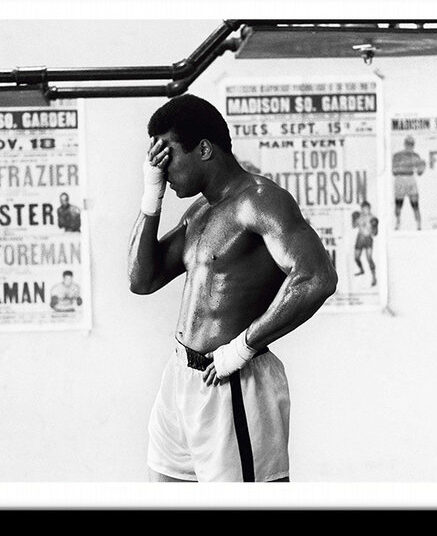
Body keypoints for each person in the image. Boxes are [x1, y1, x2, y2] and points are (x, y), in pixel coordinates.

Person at [128, 94, 337, 483]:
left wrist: (243, 346)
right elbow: (142, 280)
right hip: (180, 381)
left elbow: (316, 277)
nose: (161, 166)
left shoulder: (260, 201)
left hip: (231, 382)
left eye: (167, 154)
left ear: (204, 148)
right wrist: (151, 196)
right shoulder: (200, 212)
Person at [392, 136, 426, 230]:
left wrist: (422, 167)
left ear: (413, 145)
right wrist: (403, 167)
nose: (409, 146)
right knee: (398, 204)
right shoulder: (397, 155)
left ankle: (419, 225)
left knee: (415, 204)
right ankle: (397, 222)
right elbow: (393, 171)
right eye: (408, 144)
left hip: (410, 180)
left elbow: (419, 173)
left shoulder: (416, 156)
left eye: (411, 144)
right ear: (405, 144)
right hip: (400, 180)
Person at [351, 202, 379, 287]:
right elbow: (354, 226)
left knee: (369, 258)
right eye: (363, 209)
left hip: (368, 239)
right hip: (360, 238)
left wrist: (374, 227)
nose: (364, 210)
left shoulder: (373, 218)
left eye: (366, 209)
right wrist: (354, 219)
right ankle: (361, 269)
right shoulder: (359, 217)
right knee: (356, 258)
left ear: (369, 208)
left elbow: (375, 233)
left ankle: (374, 277)